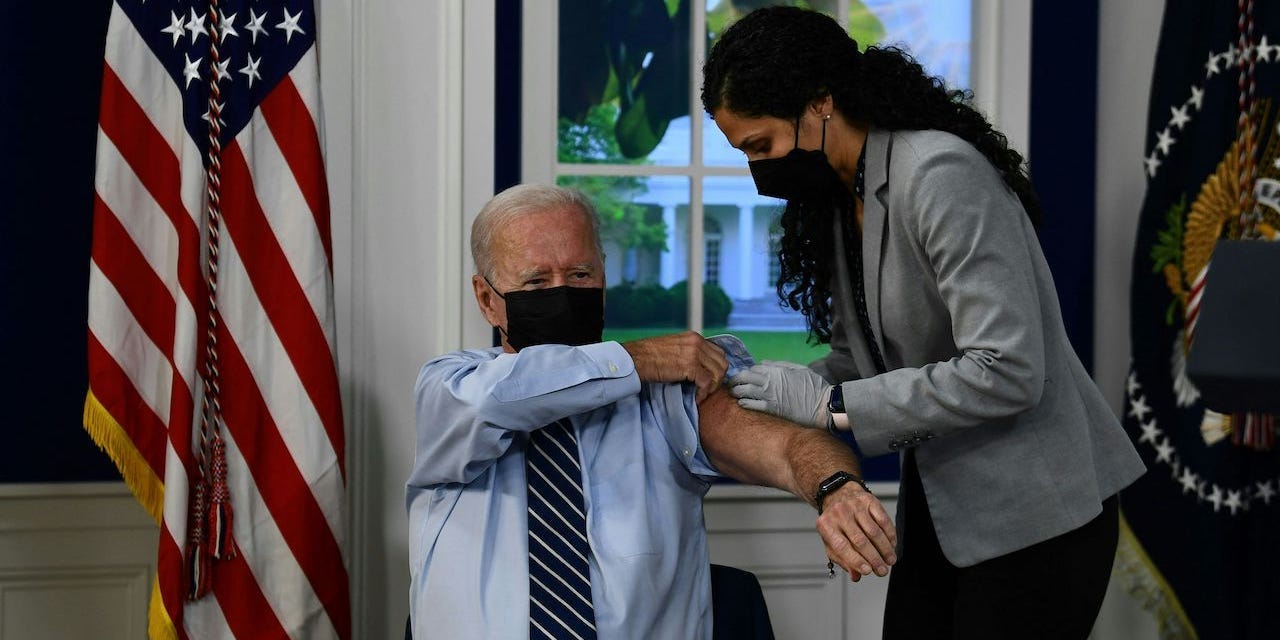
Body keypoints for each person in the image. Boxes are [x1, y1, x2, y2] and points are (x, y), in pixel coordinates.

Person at [702, 7, 1146, 640]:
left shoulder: (939, 174)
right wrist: (768, 388)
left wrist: (827, 403)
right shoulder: (839, 197)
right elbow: (859, 367)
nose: (758, 171)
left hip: (1039, 516)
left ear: (820, 103)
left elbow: (1009, 370)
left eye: (760, 145)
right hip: (945, 512)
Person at [406, 183, 897, 639]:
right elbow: (500, 398)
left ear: (602, 276)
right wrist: (637, 358)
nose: (562, 292)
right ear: (487, 300)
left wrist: (836, 489)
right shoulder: (451, 388)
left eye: (580, 274)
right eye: (536, 282)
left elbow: (783, 446)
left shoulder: (660, 396)